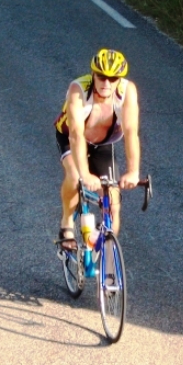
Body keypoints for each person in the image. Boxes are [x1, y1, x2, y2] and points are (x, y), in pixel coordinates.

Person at [54, 48, 140, 249]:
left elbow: (130, 131)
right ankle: (66, 222)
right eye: (101, 77)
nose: (106, 83)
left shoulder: (127, 91)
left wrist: (133, 171)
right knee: (75, 177)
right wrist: (85, 174)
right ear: (93, 74)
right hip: (71, 138)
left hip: (103, 143)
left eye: (113, 78)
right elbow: (75, 134)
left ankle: (106, 252)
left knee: (113, 199)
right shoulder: (79, 89)